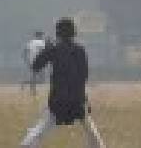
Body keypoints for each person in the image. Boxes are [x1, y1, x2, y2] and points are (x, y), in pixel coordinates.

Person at [20, 17, 106, 147]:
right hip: (77, 99)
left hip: (58, 99)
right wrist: (84, 99)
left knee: (41, 129)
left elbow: (36, 65)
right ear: (73, 32)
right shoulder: (80, 50)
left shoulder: (53, 49)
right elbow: (84, 76)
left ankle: (27, 145)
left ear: (58, 33)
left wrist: (47, 48)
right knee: (91, 133)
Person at [25, 31, 48, 96]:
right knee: (42, 78)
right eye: (42, 36)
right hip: (41, 61)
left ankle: (32, 89)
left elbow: (25, 51)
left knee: (33, 76)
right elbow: (45, 52)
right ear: (40, 36)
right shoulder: (43, 43)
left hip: (32, 61)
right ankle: (27, 84)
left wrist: (27, 61)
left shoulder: (30, 42)